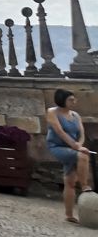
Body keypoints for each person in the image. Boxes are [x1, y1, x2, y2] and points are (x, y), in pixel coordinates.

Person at [46, 88, 92, 223]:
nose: (74, 102)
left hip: (73, 149)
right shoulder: (52, 112)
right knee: (83, 157)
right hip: (58, 147)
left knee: (70, 181)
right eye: (70, 100)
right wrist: (76, 147)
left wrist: (80, 145)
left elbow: (81, 134)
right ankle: (85, 186)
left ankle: (69, 215)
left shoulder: (76, 115)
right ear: (62, 100)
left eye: (74, 99)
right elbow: (60, 132)